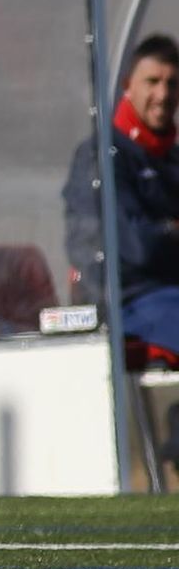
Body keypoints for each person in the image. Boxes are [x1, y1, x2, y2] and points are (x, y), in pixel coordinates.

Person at [63, 32, 179, 353]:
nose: (163, 93)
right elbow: (136, 244)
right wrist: (170, 231)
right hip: (129, 303)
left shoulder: (170, 159)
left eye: (172, 84)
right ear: (128, 85)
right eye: (152, 81)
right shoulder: (103, 156)